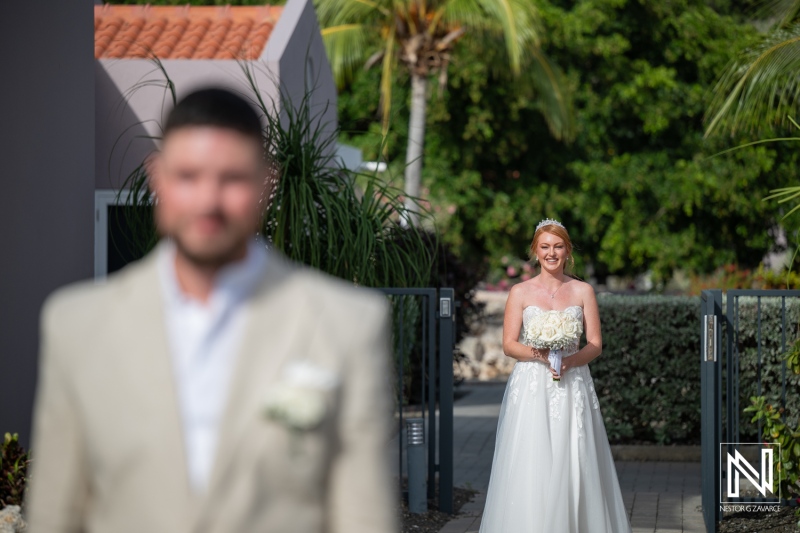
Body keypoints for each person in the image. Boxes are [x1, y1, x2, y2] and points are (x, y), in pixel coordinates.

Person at [25, 88, 397, 533]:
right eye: (188, 177)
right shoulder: (78, 326)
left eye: (232, 179)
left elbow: (364, 518)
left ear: (267, 183)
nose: (208, 202)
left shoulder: (347, 323)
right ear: (157, 178)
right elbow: (55, 514)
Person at [478, 219, 631, 533]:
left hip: (573, 383)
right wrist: (543, 355)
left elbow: (596, 344)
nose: (551, 253)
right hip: (532, 385)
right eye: (545, 246)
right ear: (535, 251)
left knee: (576, 456)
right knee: (532, 461)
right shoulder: (520, 292)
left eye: (558, 246)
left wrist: (571, 361)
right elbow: (509, 345)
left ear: (567, 250)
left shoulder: (583, 290)